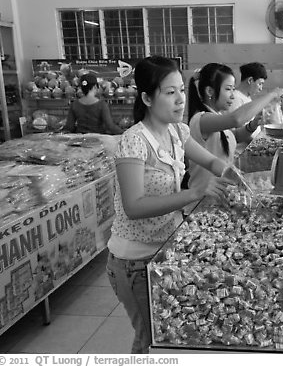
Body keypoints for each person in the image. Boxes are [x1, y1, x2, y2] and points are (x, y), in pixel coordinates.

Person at [106, 56, 241, 354]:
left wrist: (232, 173)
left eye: (181, 90)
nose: (180, 99)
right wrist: (195, 193)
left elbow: (211, 161)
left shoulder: (176, 132)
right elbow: (134, 206)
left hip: (163, 251)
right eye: (169, 92)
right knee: (149, 340)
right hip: (134, 260)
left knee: (165, 333)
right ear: (146, 97)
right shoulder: (134, 142)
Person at [186, 62, 283, 188]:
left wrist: (252, 125)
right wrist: (272, 95)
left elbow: (235, 136)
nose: (232, 96)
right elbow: (236, 119)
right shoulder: (202, 119)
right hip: (203, 197)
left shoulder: (216, 117)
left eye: (233, 89)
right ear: (210, 91)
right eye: (228, 89)